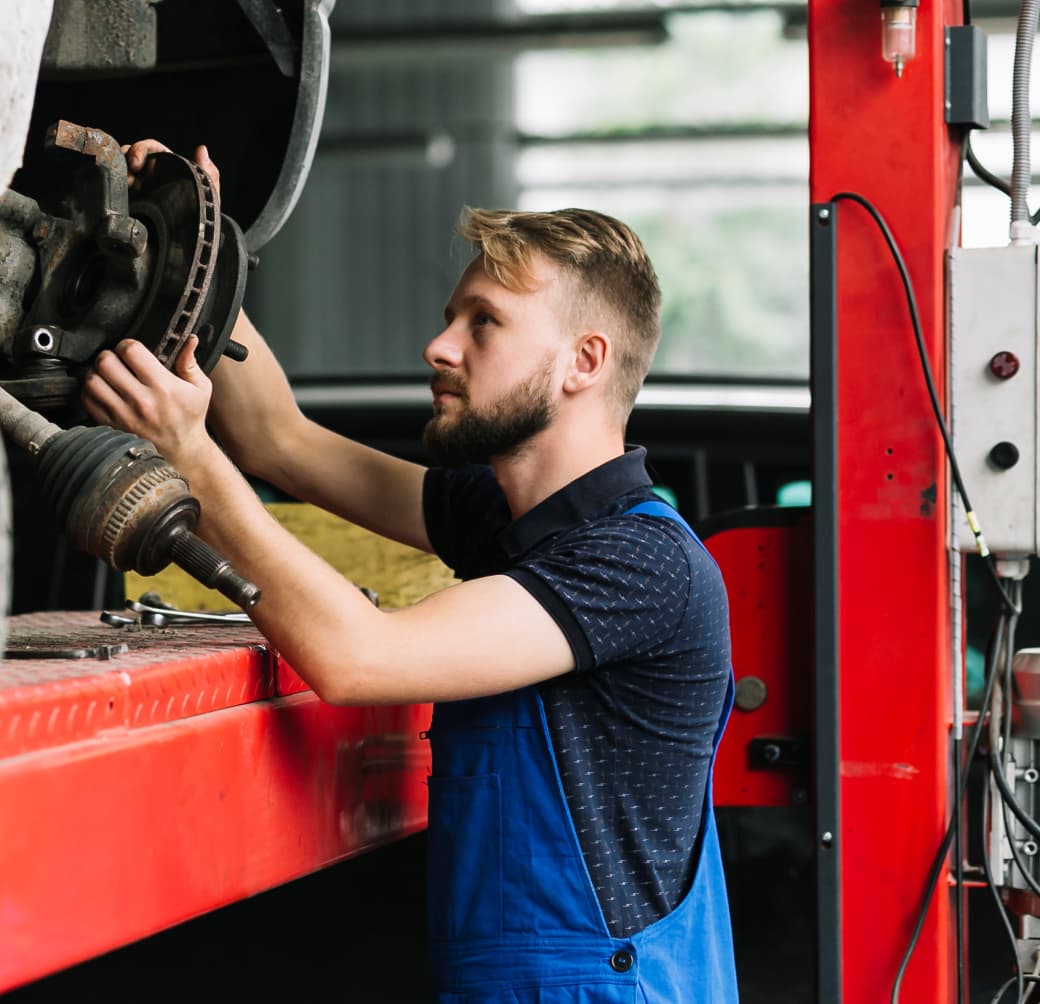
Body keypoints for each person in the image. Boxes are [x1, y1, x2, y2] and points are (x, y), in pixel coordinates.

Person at [85, 141, 738, 1003]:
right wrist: (200, 244)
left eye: (484, 323)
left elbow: (363, 660)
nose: (438, 346)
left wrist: (188, 460)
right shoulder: (507, 522)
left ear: (586, 361)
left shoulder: (640, 564)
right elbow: (284, 440)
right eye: (450, 316)